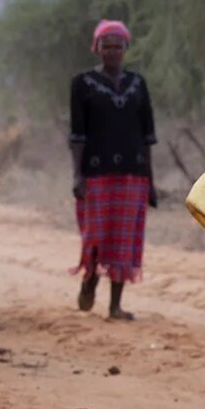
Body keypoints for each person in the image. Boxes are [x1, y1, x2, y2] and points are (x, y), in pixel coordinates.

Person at [70, 19, 157, 320]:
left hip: (134, 172)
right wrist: (77, 175)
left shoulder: (138, 84)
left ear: (125, 48)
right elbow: (77, 135)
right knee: (96, 237)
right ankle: (90, 280)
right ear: (96, 48)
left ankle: (115, 305)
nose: (112, 51)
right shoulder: (82, 84)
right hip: (96, 173)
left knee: (124, 240)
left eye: (118, 46)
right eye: (106, 46)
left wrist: (152, 181)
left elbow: (148, 135)